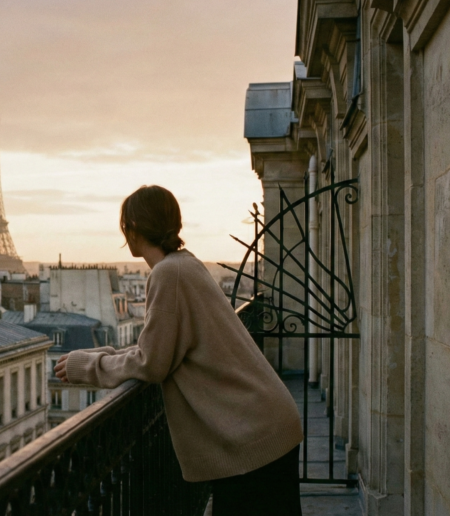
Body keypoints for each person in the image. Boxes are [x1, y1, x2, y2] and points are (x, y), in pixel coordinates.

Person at [54, 185, 304, 516]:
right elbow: (161, 345)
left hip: (252, 438)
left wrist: (89, 365)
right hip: (266, 425)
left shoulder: (167, 274)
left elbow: (153, 363)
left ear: (134, 227)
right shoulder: (186, 264)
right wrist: (113, 355)